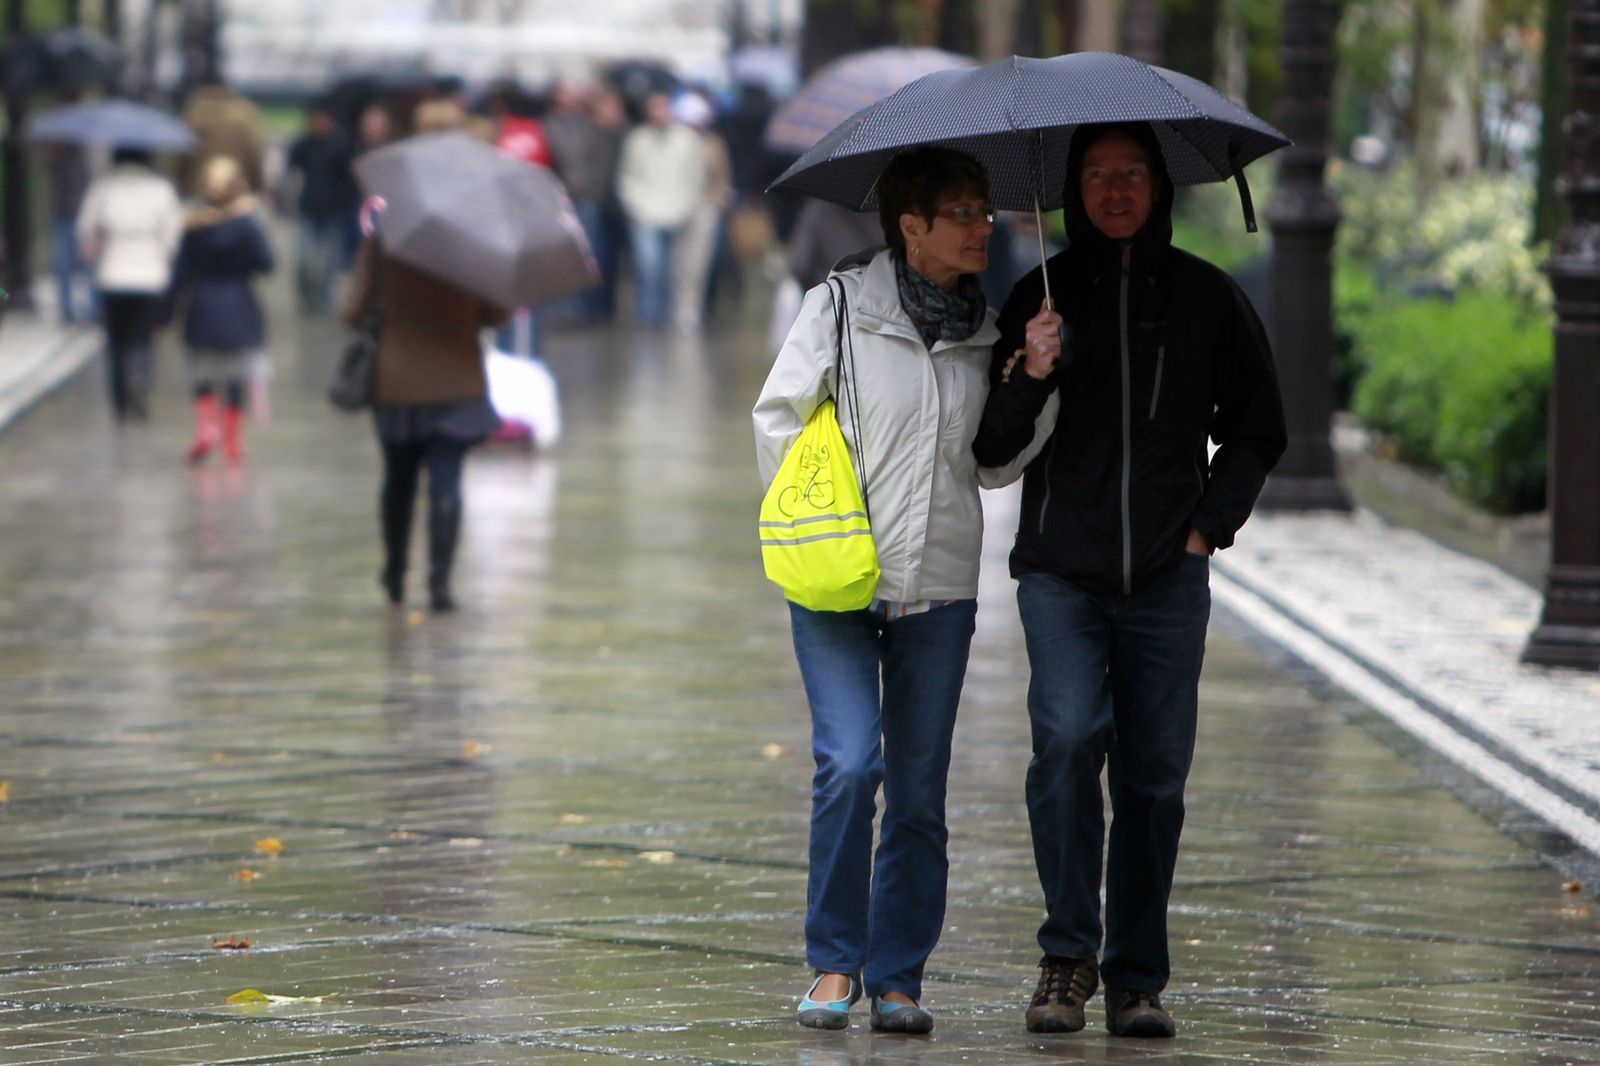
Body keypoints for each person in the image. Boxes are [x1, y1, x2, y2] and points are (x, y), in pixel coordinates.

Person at [972, 122, 1287, 1039]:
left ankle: (1137, 976)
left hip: (1165, 576)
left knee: (1155, 778)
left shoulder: (1206, 299)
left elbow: (1260, 430)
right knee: (1068, 743)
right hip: (1059, 571)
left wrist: (1204, 529)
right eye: (1099, 176)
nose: (1116, 192)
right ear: (1073, 187)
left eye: (1133, 175)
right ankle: (1066, 956)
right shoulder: (1038, 294)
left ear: (1159, 188)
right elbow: (991, 445)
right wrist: (1030, 368)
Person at [753, 147, 1048, 1036]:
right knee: (849, 765)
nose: (979, 227)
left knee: (918, 791)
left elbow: (995, 463)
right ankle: (834, 963)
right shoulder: (838, 308)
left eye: (983, 213)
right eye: (961, 212)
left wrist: (1034, 379)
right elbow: (777, 418)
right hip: (838, 581)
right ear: (910, 226)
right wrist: (820, 526)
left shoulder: (991, 332)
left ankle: (899, 976)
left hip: (942, 587)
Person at [342, 128, 508, 613]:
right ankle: (440, 584)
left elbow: (353, 313)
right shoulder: (479, 233)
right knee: (447, 480)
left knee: (397, 480)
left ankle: (394, 574)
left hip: (397, 380)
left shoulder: (389, 232)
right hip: (457, 379)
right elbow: (495, 315)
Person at [162, 156, 275, 463]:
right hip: (239, 302)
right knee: (236, 373)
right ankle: (232, 439)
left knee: (202, 371)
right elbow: (267, 264)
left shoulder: (194, 225)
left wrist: (164, 315)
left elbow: (180, 274)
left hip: (202, 303)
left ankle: (205, 430)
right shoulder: (248, 224)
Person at [76, 146, 184, 421]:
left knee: (116, 341)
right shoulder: (161, 190)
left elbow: (85, 231)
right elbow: (173, 237)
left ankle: (119, 400)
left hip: (112, 275)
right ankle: (140, 378)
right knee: (143, 338)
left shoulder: (102, 190)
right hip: (150, 277)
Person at [615, 91, 705, 327]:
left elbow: (695, 175)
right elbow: (628, 175)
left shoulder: (687, 140)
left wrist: (688, 204)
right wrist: (634, 204)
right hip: (645, 211)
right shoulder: (637, 140)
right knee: (649, 266)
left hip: (678, 210)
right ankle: (648, 313)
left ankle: (672, 312)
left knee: (677, 268)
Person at [283, 100, 359, 316]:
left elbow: (351, 179)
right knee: (303, 261)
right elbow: (291, 171)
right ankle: (308, 296)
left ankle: (322, 298)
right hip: (308, 209)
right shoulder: (304, 144)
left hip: (333, 212)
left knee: (328, 263)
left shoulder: (342, 145)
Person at [668, 91, 731, 332]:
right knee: (676, 262)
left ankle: (689, 309)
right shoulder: (674, 141)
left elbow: (722, 176)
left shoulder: (713, 144)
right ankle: (670, 307)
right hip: (673, 207)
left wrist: (717, 201)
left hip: (704, 208)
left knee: (697, 262)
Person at [43, 133, 96, 324]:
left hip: (78, 213)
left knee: (86, 264)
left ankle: (89, 309)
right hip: (65, 213)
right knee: (65, 265)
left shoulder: (87, 151)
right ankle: (69, 310)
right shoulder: (59, 152)